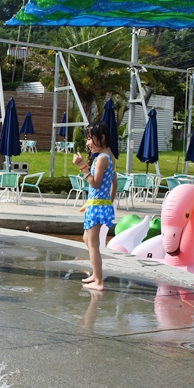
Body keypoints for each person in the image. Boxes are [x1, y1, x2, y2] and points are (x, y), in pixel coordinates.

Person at [72, 122, 117, 290]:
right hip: (99, 205)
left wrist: (82, 167)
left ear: (102, 138)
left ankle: (99, 281)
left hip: (96, 207)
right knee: (87, 239)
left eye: (90, 139)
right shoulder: (109, 157)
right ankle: (96, 274)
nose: (87, 143)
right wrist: (108, 202)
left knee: (93, 245)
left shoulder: (101, 159)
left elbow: (95, 183)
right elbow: (114, 182)